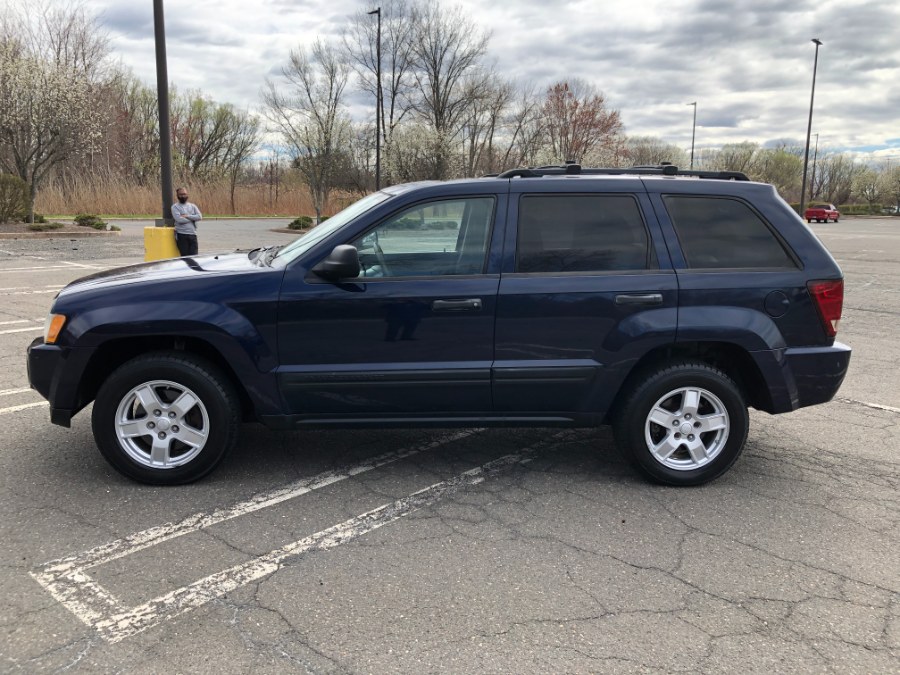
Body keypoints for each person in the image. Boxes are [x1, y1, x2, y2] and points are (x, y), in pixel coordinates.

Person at [171, 187, 202, 256]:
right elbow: (179, 219)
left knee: (194, 257)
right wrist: (193, 218)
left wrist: (187, 216)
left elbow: (199, 217)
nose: (183, 196)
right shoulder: (175, 207)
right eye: (181, 194)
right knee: (185, 257)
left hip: (193, 235)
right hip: (181, 235)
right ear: (177, 196)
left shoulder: (192, 206)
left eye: (185, 194)